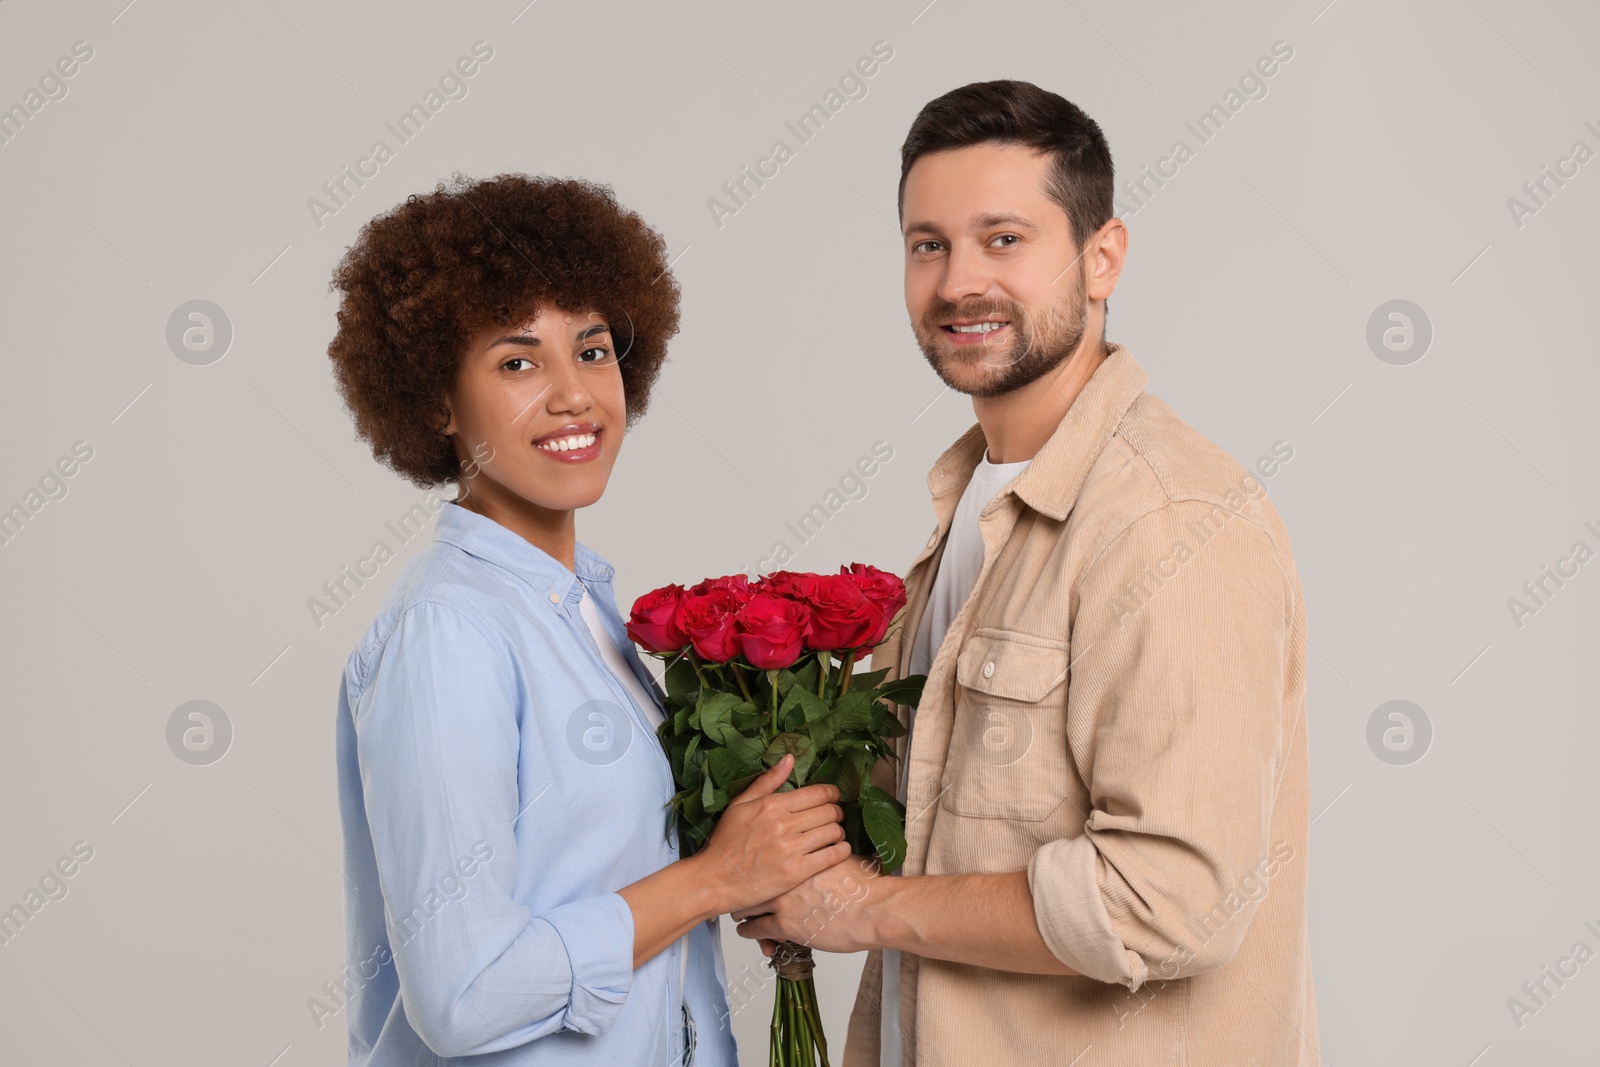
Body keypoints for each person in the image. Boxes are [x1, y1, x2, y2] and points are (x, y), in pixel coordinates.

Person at [731, 81, 1319, 1065]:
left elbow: (1171, 903)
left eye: (1003, 238)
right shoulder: (975, 508)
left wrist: (861, 905)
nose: (960, 281)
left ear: (1102, 259)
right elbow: (938, 823)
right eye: (929, 244)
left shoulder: (1163, 522)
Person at [326, 173, 851, 1066]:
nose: (573, 394)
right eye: (518, 360)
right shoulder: (451, 634)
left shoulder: (592, 617)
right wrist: (713, 877)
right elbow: (462, 995)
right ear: (437, 401)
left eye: (594, 349)